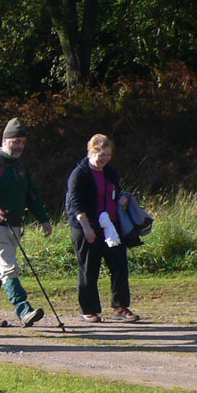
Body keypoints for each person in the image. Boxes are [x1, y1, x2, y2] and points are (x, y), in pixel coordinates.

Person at [0, 117, 53, 327]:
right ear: (5, 140)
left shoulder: (22, 166)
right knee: (8, 266)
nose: (20, 146)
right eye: (16, 142)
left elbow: (31, 196)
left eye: (23, 143)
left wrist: (43, 219)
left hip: (15, 224)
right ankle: (23, 308)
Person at [65, 133, 140, 323]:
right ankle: (88, 309)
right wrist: (87, 228)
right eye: (101, 155)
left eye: (108, 154)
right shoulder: (79, 174)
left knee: (119, 265)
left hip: (111, 226)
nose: (105, 159)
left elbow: (112, 193)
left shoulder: (111, 171)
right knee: (89, 268)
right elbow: (76, 205)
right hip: (86, 226)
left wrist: (121, 200)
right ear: (91, 152)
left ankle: (120, 307)